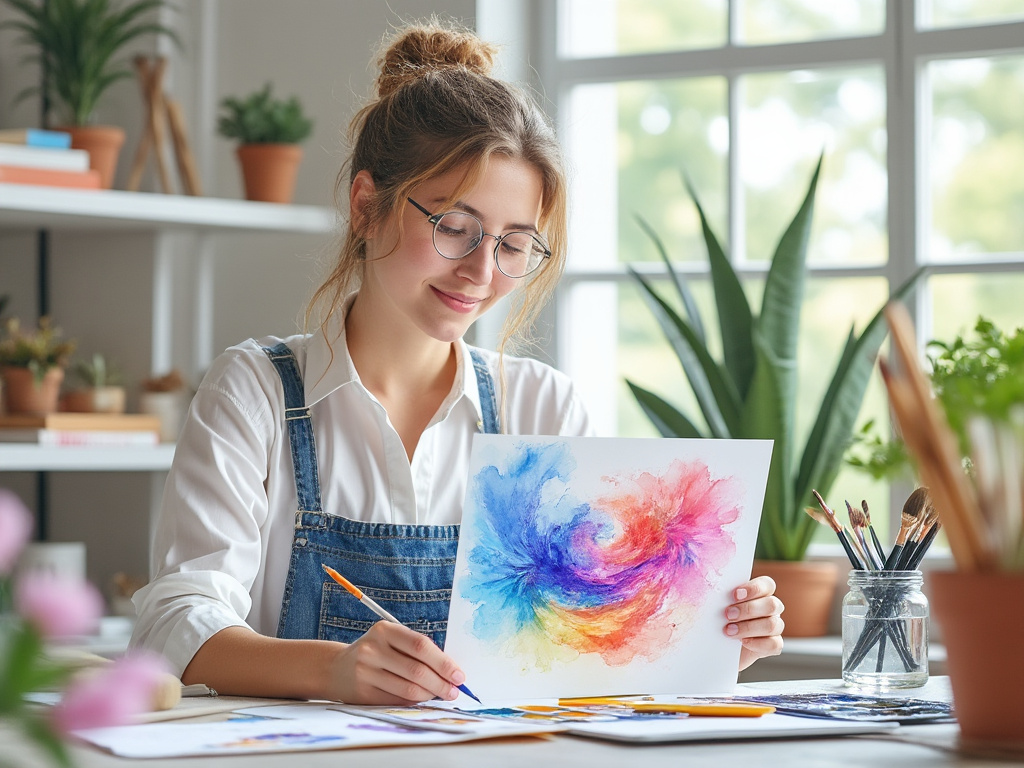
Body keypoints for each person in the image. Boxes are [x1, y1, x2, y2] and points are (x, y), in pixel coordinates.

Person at [130, 19, 784, 706]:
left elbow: (580, 651)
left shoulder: (544, 408)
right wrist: (335, 670)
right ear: (365, 206)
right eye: (454, 227)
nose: (481, 270)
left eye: (513, 243)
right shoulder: (257, 392)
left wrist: (707, 640)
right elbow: (175, 624)